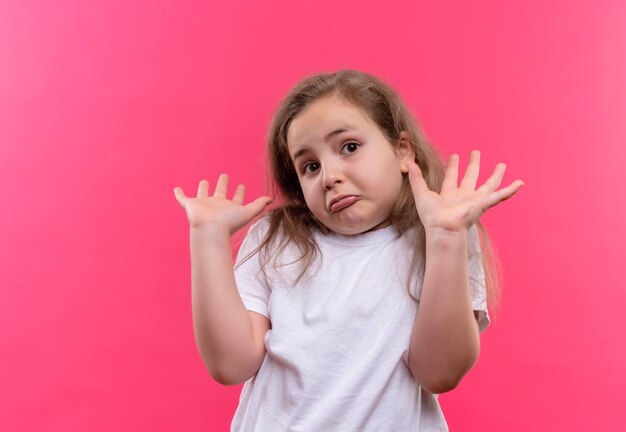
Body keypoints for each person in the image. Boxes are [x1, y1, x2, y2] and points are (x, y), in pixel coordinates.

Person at [173, 69, 524, 431]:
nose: (329, 176)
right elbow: (231, 365)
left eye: (349, 147)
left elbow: (439, 372)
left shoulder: (438, 236)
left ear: (402, 150)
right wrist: (207, 236)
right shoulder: (276, 238)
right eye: (310, 166)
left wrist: (447, 236)